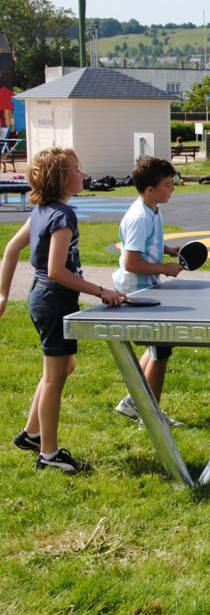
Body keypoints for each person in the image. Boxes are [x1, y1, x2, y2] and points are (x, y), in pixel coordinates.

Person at [0, 147, 125, 473]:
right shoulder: (62, 216)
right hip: (54, 301)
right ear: (61, 179)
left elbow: (11, 249)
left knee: (62, 367)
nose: (82, 173)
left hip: (43, 298)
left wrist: (3, 295)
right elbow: (57, 271)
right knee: (55, 379)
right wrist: (101, 292)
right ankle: (50, 454)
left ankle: (32, 433)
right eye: (76, 169)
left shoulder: (42, 210)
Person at [113, 156, 184, 427]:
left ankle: (135, 401)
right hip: (137, 292)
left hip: (149, 288)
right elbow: (131, 262)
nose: (172, 189)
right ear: (150, 189)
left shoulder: (153, 208)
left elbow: (148, 244)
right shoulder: (139, 217)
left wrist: (168, 251)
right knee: (161, 350)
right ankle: (151, 415)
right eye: (167, 185)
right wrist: (164, 268)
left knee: (160, 347)